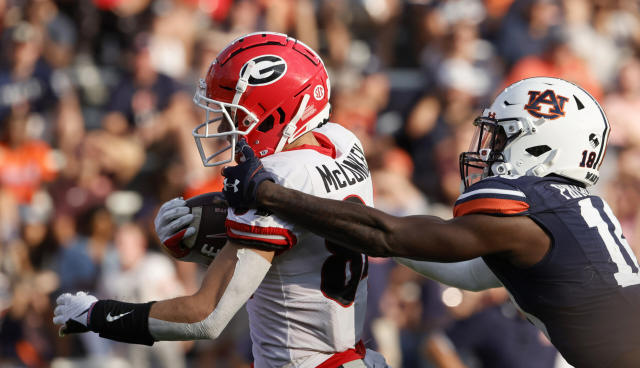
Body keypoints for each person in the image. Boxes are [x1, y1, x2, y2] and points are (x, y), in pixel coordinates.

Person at [221, 77, 640, 368]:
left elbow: (389, 236)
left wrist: (272, 194)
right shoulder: (578, 211)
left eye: (501, 138)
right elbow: (469, 273)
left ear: (540, 146)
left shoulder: (527, 208)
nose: (487, 151)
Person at [53, 32, 387, 367]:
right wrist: (222, 221)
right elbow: (297, 243)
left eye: (238, 117)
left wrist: (97, 315)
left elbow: (205, 316)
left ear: (277, 113)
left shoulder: (278, 180)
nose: (229, 130)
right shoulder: (344, 143)